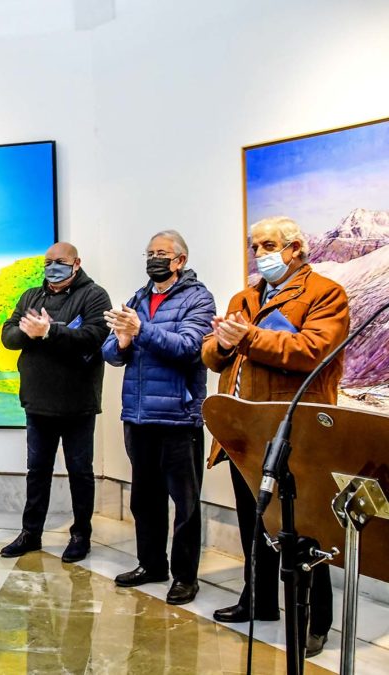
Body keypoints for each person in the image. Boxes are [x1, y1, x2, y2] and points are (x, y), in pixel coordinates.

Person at [202, 216, 348, 657]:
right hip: (242, 433)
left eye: (268, 245)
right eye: (255, 246)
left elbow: (311, 351)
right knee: (255, 524)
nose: (260, 254)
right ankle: (259, 600)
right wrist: (225, 344)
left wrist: (247, 338)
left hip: (293, 431)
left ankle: (313, 621)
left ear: (296, 247)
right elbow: (211, 355)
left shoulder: (325, 294)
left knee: (303, 533)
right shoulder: (243, 297)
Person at [102, 230, 216, 606]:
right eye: (149, 252)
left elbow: (189, 348)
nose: (154, 258)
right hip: (138, 416)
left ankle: (185, 577)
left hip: (178, 418)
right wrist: (120, 339)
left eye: (161, 253)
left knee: (185, 504)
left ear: (180, 260)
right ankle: (151, 564)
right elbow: (111, 352)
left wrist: (140, 330)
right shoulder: (137, 298)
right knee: (144, 498)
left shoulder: (198, 298)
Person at [0, 242, 112, 563]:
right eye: (48, 262)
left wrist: (50, 332)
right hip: (37, 401)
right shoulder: (31, 296)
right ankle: (30, 532)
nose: (52, 267)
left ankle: (81, 535)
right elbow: (8, 335)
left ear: (76, 263)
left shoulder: (94, 295)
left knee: (80, 471)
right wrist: (30, 333)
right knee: (37, 471)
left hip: (78, 402)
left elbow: (94, 336)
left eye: (59, 262)